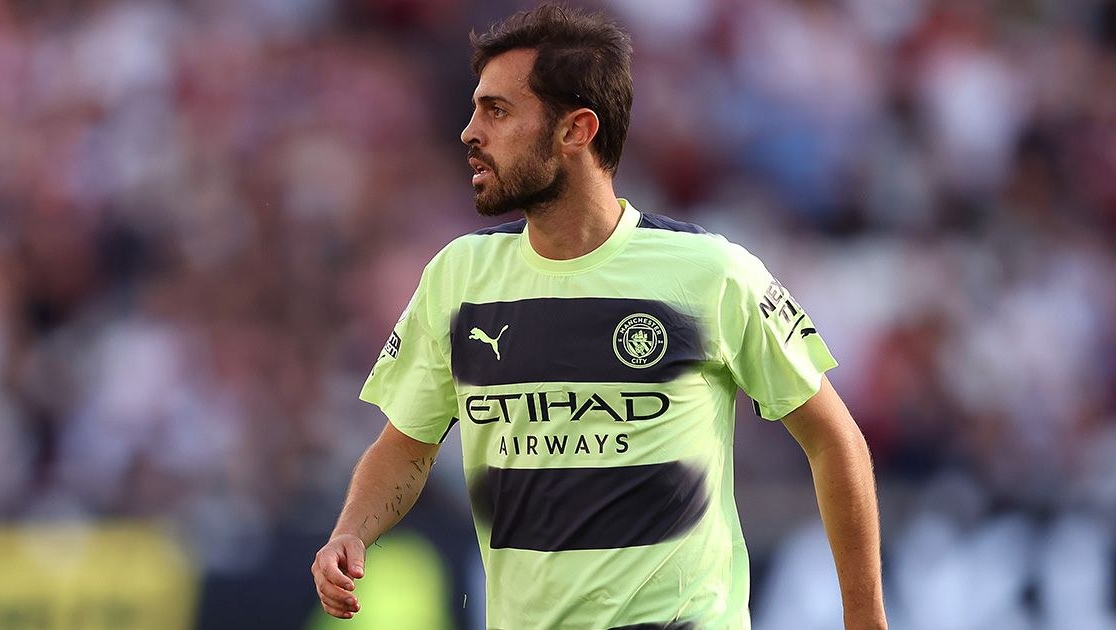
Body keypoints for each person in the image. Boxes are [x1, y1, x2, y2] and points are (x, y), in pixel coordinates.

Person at [312, 4, 887, 629]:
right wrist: (353, 532)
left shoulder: (709, 273)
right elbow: (405, 445)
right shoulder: (458, 277)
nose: (469, 131)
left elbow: (834, 439)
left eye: (497, 111)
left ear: (576, 130)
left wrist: (864, 619)